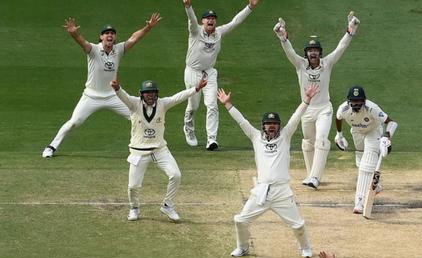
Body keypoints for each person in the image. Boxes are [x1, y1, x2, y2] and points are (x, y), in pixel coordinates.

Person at [217, 84, 319, 258]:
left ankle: (305, 248)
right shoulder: (256, 136)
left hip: (282, 191)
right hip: (262, 191)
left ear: (279, 126)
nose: (271, 126)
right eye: (268, 124)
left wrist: (307, 99)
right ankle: (243, 247)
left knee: (298, 225)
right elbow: (242, 121)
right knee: (240, 221)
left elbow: (296, 116)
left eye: (274, 124)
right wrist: (228, 104)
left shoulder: (285, 136)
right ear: (263, 126)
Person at [42, 14, 161, 158]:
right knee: (74, 122)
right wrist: (74, 33)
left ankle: (148, 146)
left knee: (137, 116)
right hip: (91, 96)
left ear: (115, 38)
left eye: (112, 33)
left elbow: (134, 38)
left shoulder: (119, 50)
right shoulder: (93, 50)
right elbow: (82, 41)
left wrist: (148, 27)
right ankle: (51, 147)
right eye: (106, 33)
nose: (109, 35)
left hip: (113, 95)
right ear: (101, 37)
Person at [273, 12, 360, 189]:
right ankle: (311, 175)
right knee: (308, 143)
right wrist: (282, 37)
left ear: (320, 53)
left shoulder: (327, 63)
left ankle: (315, 177)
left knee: (321, 140)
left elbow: (341, 48)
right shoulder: (300, 65)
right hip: (307, 109)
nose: (313, 53)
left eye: (316, 51)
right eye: (310, 51)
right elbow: (289, 51)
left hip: (323, 109)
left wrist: (351, 31)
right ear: (306, 53)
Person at [112, 77, 206, 222]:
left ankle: (168, 206)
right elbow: (123, 96)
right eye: (147, 93)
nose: (150, 96)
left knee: (176, 175)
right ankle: (134, 208)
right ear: (141, 94)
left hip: (159, 149)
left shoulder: (162, 104)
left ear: (157, 94)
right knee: (133, 186)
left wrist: (196, 89)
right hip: (139, 151)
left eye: (152, 93)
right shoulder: (134, 104)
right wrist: (117, 88)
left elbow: (177, 97)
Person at [182, 0, 260, 151]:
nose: (210, 20)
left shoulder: (219, 32)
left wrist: (250, 7)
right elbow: (191, 20)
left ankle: (211, 139)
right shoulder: (195, 31)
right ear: (202, 21)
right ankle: (189, 129)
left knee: (212, 105)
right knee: (193, 106)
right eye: (207, 18)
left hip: (209, 73)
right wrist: (188, 6)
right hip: (192, 72)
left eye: (213, 18)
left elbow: (235, 22)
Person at [334, 85, 398, 213]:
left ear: (363, 101)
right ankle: (376, 186)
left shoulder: (372, 108)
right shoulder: (343, 109)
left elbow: (392, 123)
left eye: (359, 101)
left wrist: (387, 136)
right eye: (353, 101)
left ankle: (360, 202)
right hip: (357, 133)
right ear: (349, 101)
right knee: (361, 164)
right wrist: (339, 134)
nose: (356, 104)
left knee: (366, 165)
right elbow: (338, 118)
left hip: (373, 132)